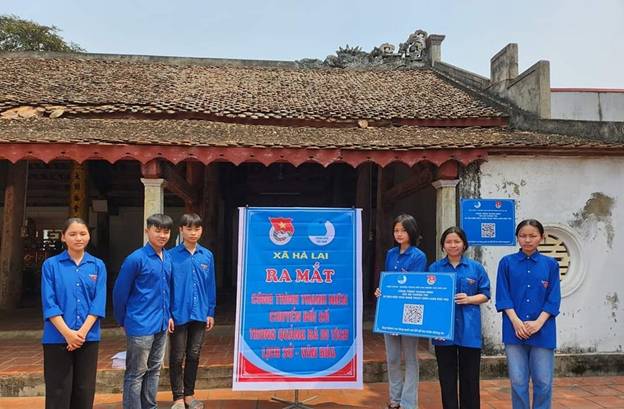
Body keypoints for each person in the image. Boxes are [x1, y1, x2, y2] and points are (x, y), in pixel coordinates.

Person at [41, 217, 107, 409]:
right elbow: (49, 302)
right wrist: (68, 334)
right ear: (63, 237)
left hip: (88, 337)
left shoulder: (97, 265)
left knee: (84, 390)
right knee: (58, 391)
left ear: (88, 236)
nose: (78, 238)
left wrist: (81, 334)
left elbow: (98, 302)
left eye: (83, 233)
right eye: (72, 234)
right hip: (56, 337)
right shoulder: (51, 265)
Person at [495, 219, 561, 409]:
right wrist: (516, 322)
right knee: (518, 382)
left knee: (543, 382)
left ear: (541, 237)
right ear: (517, 238)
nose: (528, 240)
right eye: (523, 236)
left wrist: (538, 323)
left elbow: (553, 298)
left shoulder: (550, 265)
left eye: (532, 236)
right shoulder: (506, 263)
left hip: (543, 330)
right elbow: (503, 295)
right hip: (514, 330)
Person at [113, 213, 175, 409]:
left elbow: (168, 290)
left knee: (154, 369)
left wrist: (169, 315)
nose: (162, 235)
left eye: (166, 231)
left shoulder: (168, 257)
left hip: (161, 323)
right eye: (157, 230)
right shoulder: (135, 259)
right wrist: (123, 320)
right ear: (147, 231)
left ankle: (150, 406)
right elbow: (119, 292)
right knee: (136, 372)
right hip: (140, 324)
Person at [429, 226, 490, 409]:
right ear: (443, 245)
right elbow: (427, 297)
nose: (453, 245)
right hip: (443, 330)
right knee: (446, 378)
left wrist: (470, 299)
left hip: (469, 331)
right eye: (448, 241)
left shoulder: (476, 268)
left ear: (464, 244)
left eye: (457, 241)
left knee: (470, 378)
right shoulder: (435, 268)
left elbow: (485, 294)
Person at [375, 214, 427, 409]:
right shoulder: (390, 253)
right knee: (393, 357)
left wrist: (400, 320)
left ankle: (408, 403)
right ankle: (394, 400)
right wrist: (381, 290)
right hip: (390, 310)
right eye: (396, 230)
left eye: (403, 230)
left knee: (410, 358)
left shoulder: (418, 256)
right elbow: (388, 281)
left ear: (411, 232)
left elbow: (414, 287)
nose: (399, 234)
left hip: (409, 312)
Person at [169, 213, 216, 409]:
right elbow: (166, 286)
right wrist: (168, 314)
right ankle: (178, 397)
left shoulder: (207, 255)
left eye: (197, 229)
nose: (193, 232)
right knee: (177, 355)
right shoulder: (171, 255)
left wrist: (210, 311)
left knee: (194, 354)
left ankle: (190, 395)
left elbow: (210, 284)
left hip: (200, 312)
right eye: (189, 228)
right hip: (178, 313)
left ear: (201, 230)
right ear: (181, 230)